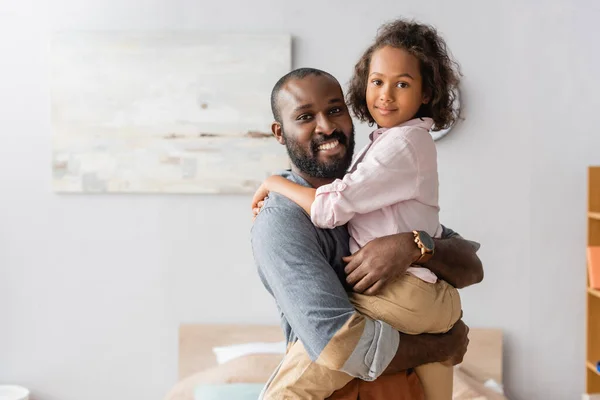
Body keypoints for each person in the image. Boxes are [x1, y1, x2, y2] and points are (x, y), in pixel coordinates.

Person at [252, 19, 467, 399]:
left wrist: (412, 245)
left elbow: (470, 264)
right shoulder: (281, 220)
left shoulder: (372, 183)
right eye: (304, 117)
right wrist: (442, 345)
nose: (325, 126)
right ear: (279, 133)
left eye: (335, 110)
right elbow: (338, 343)